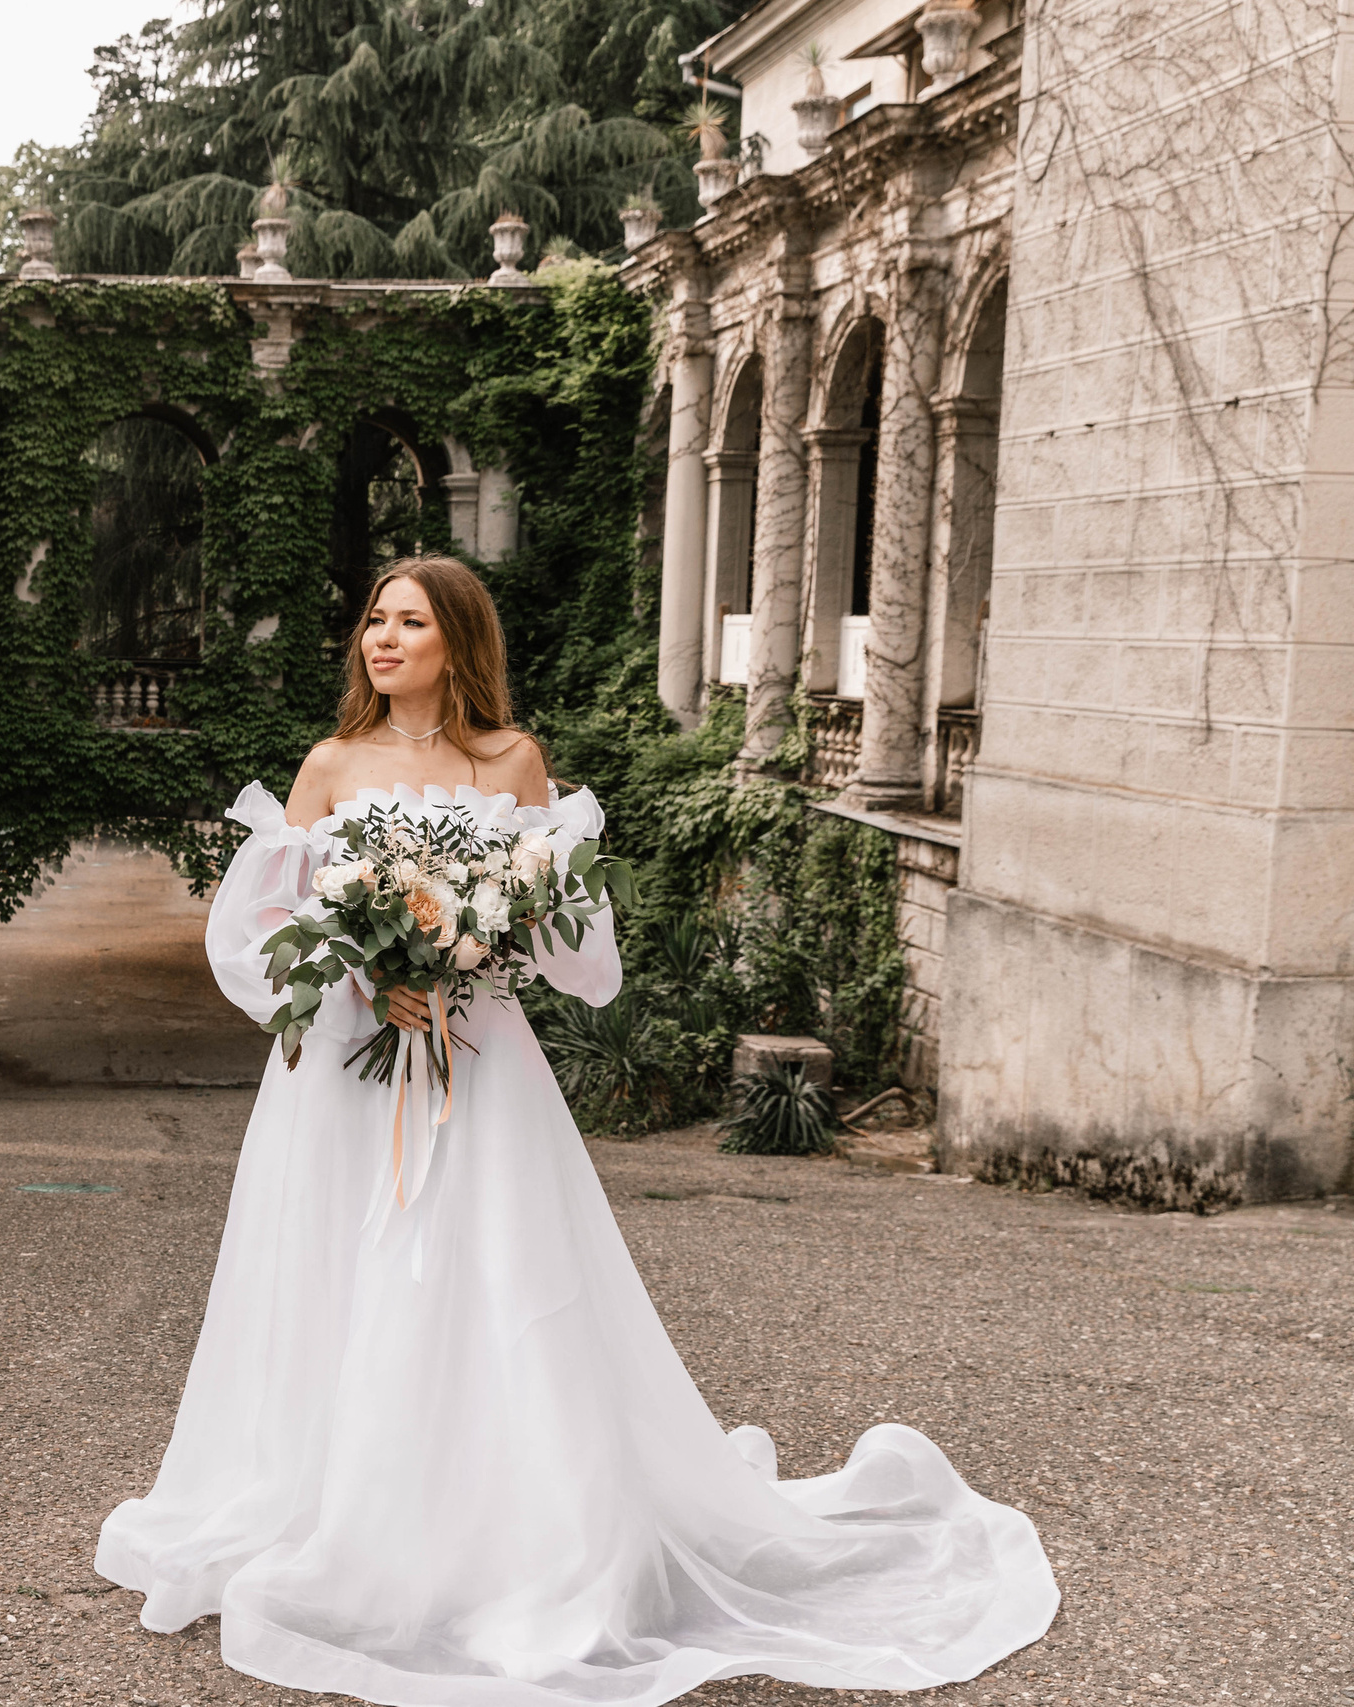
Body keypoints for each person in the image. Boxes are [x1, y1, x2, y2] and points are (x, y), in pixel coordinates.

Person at [94, 556, 1058, 1705]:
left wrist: (468, 951)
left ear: (459, 639)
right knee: (338, 1272)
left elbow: (565, 936)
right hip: (347, 1085)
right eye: (372, 621)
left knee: (489, 1274)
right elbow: (263, 931)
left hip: (479, 1064)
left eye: (409, 622)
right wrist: (366, 974)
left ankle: (510, 1535)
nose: (381, 641)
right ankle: (339, 1513)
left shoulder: (512, 762)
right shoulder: (330, 764)